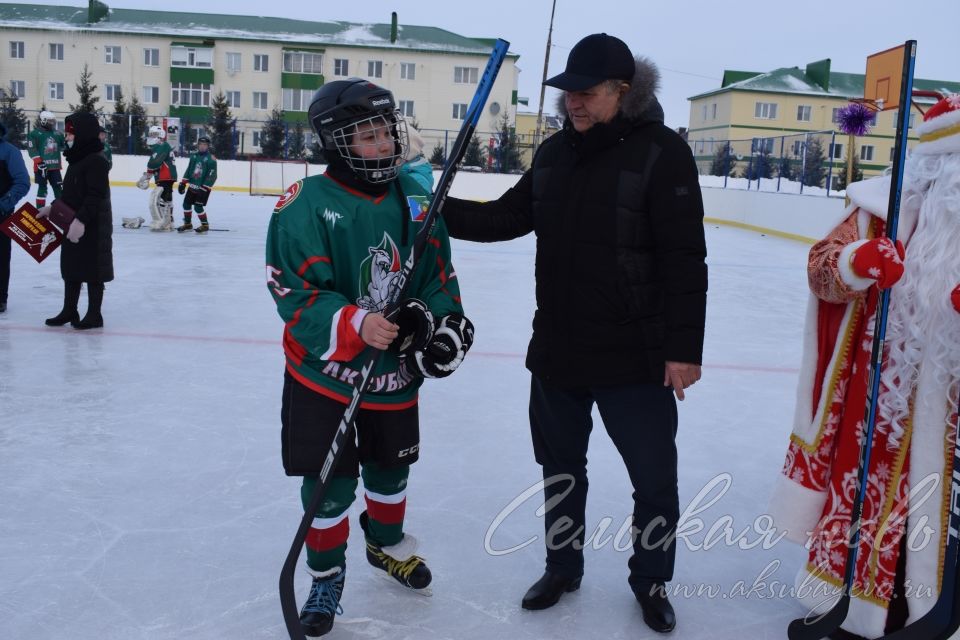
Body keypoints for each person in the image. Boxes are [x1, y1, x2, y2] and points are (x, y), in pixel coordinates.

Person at [440, 33, 707, 633]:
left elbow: (687, 259)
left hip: (634, 353)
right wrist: (439, 210)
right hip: (559, 347)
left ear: (623, 90)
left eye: (586, 94)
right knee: (560, 469)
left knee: (653, 479)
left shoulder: (662, 152)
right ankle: (563, 566)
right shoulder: (557, 153)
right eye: (568, 94)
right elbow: (509, 216)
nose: (574, 105)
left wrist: (683, 351)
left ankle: (652, 576)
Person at [265, 78, 474, 637]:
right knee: (327, 486)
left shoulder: (416, 201)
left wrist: (436, 324)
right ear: (336, 142)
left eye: (387, 133)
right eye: (368, 136)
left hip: (392, 378)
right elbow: (295, 291)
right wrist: (356, 322)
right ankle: (327, 575)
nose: (384, 145)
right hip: (325, 377)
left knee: (390, 470)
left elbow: (438, 279)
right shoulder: (303, 206)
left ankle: (386, 547)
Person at [769, 93, 960, 639]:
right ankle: (851, 609)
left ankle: (928, 615)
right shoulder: (880, 209)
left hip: (947, 413)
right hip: (877, 396)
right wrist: (856, 263)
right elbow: (821, 269)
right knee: (861, 502)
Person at [38, 111, 113, 330]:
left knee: (92, 270)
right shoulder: (77, 159)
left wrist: (80, 222)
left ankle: (94, 315)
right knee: (71, 266)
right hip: (72, 223)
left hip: (92, 225)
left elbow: (95, 195)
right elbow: (71, 195)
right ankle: (69, 310)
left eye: (70, 134)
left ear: (82, 134)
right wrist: (53, 208)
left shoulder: (97, 161)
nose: (67, 138)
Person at [0, 120, 32, 313]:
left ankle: (0, 298)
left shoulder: (10, 152)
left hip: (2, 214)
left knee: (1, 258)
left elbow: (22, 182)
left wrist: (3, 204)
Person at [176, 135, 217, 233]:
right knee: (186, 204)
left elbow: (213, 175)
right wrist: (183, 182)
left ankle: (205, 225)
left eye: (205, 145)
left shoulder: (211, 159)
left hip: (203, 188)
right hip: (192, 186)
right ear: (198, 145)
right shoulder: (194, 156)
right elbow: (189, 170)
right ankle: (188, 224)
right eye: (201, 144)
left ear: (208, 146)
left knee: (198, 207)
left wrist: (205, 187)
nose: (202, 146)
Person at [139, 125, 176, 231]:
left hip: (166, 175)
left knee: (162, 199)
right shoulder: (160, 146)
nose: (151, 137)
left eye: (154, 134)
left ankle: (164, 221)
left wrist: (147, 175)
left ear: (161, 136)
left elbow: (154, 162)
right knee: (167, 198)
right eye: (150, 134)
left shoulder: (162, 145)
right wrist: (148, 176)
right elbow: (155, 163)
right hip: (165, 175)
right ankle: (169, 220)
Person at [26, 110, 65, 209]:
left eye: (53, 121)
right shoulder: (34, 134)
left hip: (55, 167)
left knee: (58, 189)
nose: (52, 123)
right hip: (41, 167)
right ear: (43, 121)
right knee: (42, 189)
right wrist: (39, 162)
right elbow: (32, 149)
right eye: (50, 121)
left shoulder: (58, 134)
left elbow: (65, 146)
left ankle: (62, 211)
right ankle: (39, 210)